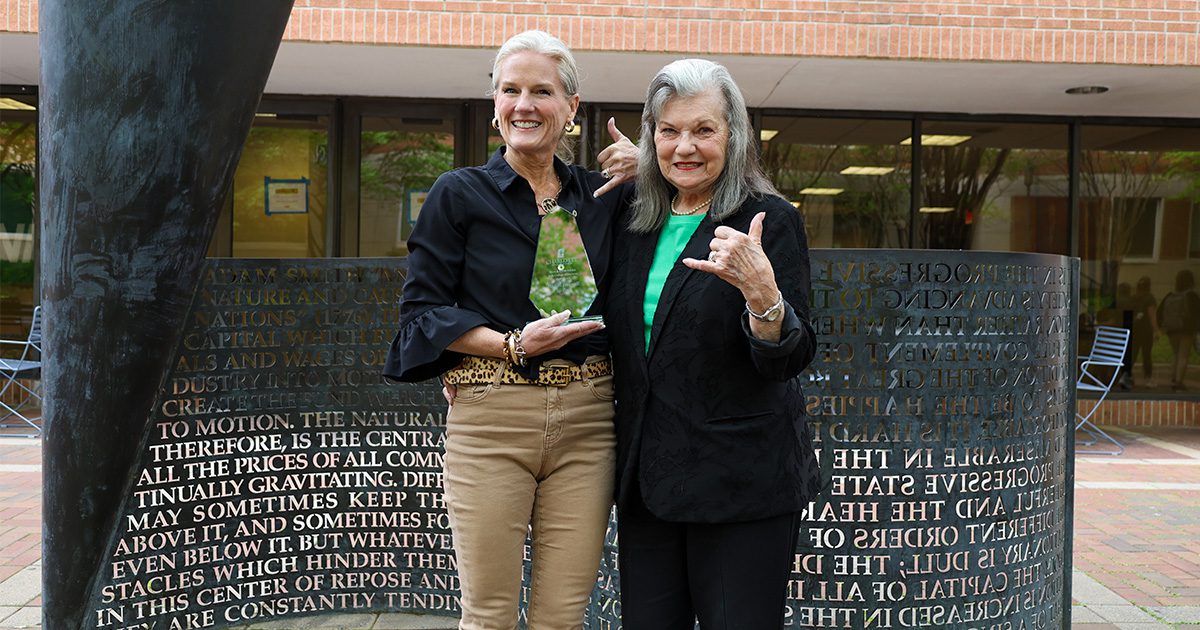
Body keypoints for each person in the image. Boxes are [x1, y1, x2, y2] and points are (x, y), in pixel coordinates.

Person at [382, 30, 636, 630]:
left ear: (572, 108)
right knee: (490, 616)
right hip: (493, 415)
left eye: (541, 91)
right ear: (495, 105)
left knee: (561, 618)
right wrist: (513, 345)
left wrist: (648, 164)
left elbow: (698, 206)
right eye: (510, 90)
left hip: (589, 419)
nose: (524, 103)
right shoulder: (458, 194)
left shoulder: (607, 199)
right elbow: (421, 315)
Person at [605, 58, 821, 629]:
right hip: (648, 480)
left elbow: (790, 358)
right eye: (668, 131)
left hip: (739, 485)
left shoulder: (767, 219)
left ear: (734, 135)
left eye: (704, 130)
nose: (685, 147)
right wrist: (483, 364)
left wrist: (762, 296)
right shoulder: (634, 219)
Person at [1157, 269, 1200, 392]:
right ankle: (1178, 382)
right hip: (1186, 330)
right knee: (1183, 356)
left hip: (1171, 330)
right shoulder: (1191, 295)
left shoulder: (1170, 296)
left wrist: (1162, 327)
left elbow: (1159, 312)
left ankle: (1173, 378)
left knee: (1176, 354)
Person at [1127, 276, 1159, 388]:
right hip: (1146, 330)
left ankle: (1127, 376)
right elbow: (1152, 316)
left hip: (1134, 329)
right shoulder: (1150, 298)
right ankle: (1148, 378)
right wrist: (1156, 330)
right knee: (1146, 354)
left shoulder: (1132, 298)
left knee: (1133, 353)